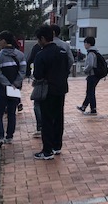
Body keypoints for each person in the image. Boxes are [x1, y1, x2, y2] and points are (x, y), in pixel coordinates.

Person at [33, 24, 70, 160]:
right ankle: (57, 146)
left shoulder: (41, 54)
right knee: (59, 118)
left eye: (38, 39)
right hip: (61, 88)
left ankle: (47, 151)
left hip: (47, 90)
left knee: (47, 120)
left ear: (43, 38)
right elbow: (67, 67)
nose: (38, 42)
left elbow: (37, 74)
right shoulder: (62, 52)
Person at [0, 30, 26, 148]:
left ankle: (0, 137)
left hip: (2, 88)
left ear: (3, 41)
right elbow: (23, 71)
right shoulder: (20, 55)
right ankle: (9, 136)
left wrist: (6, 84)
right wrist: (15, 84)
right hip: (15, 88)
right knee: (12, 113)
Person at [76, 36, 101, 115]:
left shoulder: (91, 53)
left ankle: (93, 109)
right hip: (96, 75)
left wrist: (85, 70)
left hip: (92, 75)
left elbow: (90, 65)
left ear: (89, 44)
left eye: (85, 43)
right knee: (90, 91)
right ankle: (83, 106)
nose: (84, 45)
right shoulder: (96, 52)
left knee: (90, 92)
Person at [25, 40, 43, 138]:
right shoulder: (59, 48)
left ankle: (40, 127)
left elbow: (29, 60)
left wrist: (28, 74)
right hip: (55, 82)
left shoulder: (37, 48)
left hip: (40, 81)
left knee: (37, 103)